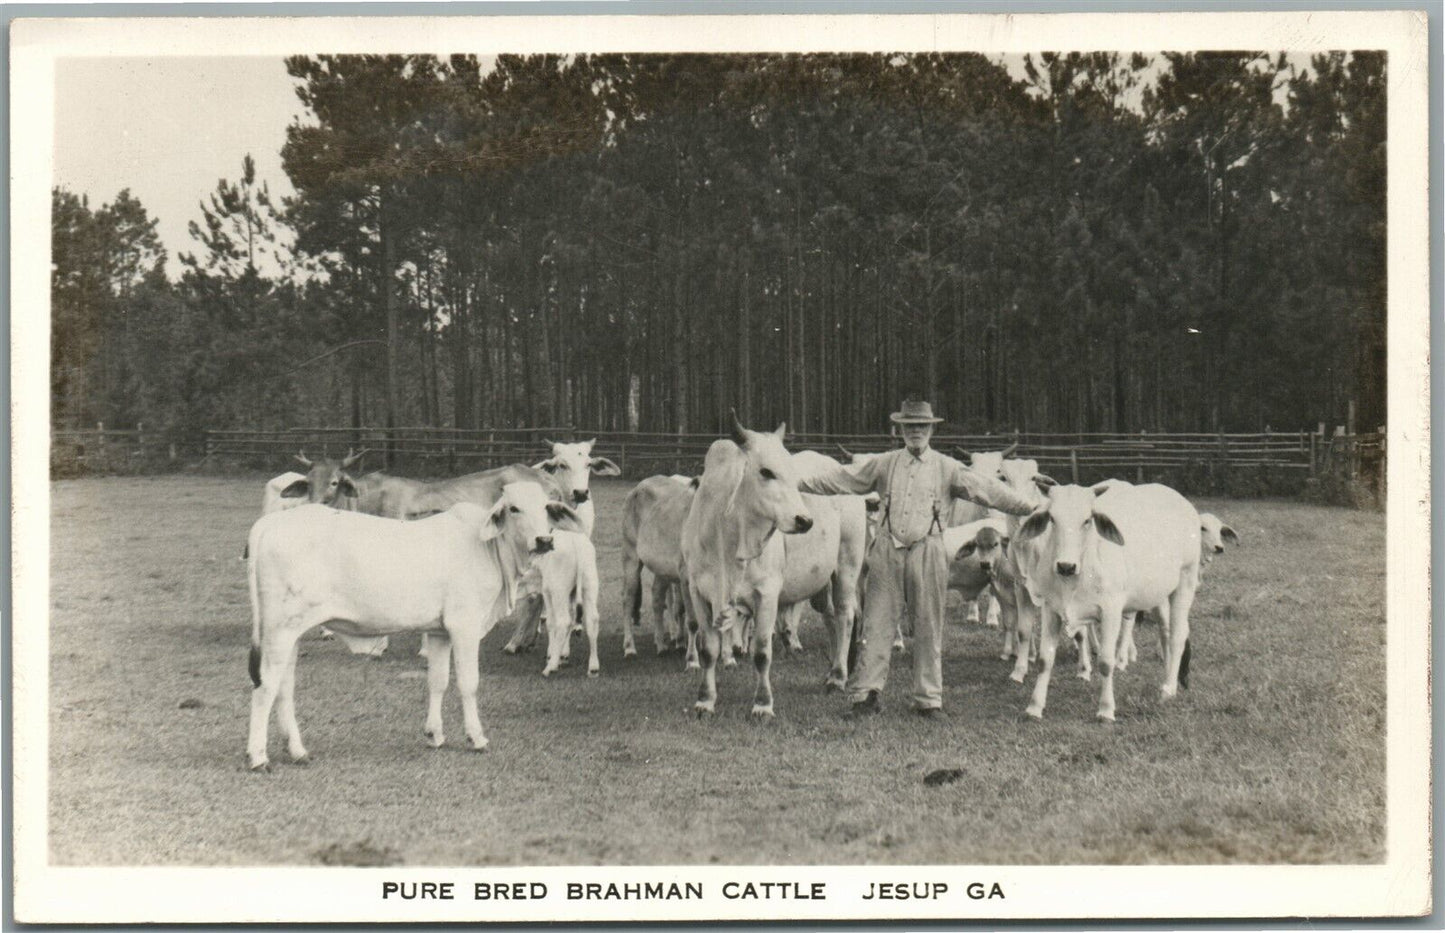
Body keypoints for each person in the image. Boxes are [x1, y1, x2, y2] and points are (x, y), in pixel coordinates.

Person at [797, 398, 1035, 718]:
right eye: (909, 427)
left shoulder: (947, 467)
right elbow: (841, 479)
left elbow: (988, 490)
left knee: (928, 626)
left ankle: (928, 700)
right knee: (876, 624)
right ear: (900, 429)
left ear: (931, 429)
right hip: (886, 551)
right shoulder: (884, 463)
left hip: (929, 550)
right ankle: (866, 696)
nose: (916, 432)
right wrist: (795, 481)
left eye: (921, 426)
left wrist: (1028, 507)